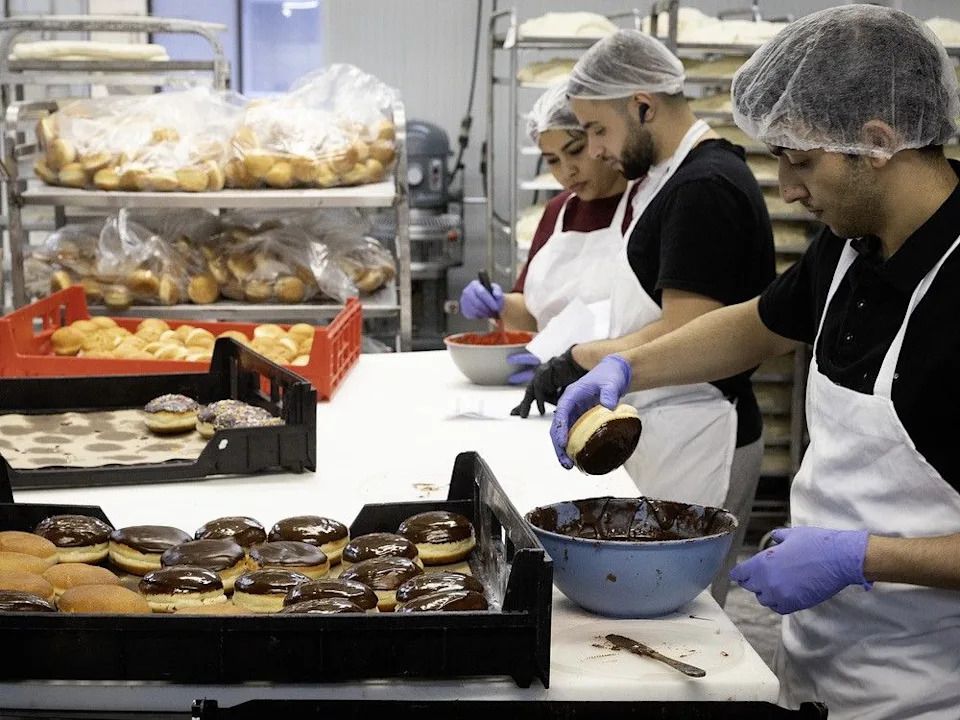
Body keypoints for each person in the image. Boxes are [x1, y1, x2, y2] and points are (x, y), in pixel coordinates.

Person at [549, 7, 960, 718]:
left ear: (879, 141)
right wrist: (628, 369)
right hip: (822, 666)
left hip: (932, 688)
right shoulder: (851, 243)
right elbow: (757, 324)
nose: (788, 187)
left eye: (799, 160)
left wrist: (862, 558)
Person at [515, 30, 775, 603]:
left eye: (599, 131)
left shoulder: (703, 187)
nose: (598, 150)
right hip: (670, 417)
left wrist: (586, 358)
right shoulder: (665, 181)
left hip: (706, 425)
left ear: (643, 105)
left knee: (684, 613)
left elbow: (692, 329)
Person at [459, 81, 628, 384]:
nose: (566, 171)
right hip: (551, 384)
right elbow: (533, 313)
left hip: (618, 387)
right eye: (552, 160)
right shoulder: (558, 211)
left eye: (575, 151)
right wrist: (501, 305)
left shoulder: (643, 207)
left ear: (600, 137)